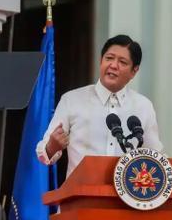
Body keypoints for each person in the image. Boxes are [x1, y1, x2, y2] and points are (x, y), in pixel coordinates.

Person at [36, 34, 163, 176]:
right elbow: (44, 153)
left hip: (124, 189)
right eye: (109, 58)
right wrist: (52, 146)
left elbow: (155, 158)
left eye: (122, 62)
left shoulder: (143, 106)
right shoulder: (71, 100)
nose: (113, 65)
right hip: (80, 189)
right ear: (101, 61)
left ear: (134, 71)